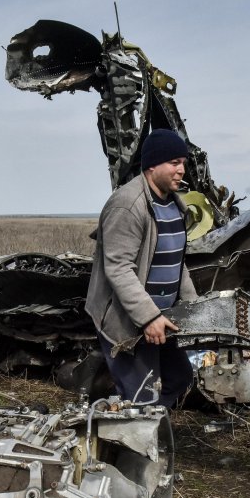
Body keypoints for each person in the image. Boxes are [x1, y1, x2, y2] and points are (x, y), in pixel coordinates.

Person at [85, 128, 197, 407]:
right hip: (127, 322)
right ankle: (134, 440)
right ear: (152, 165)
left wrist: (194, 306)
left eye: (183, 162)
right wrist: (148, 318)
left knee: (180, 377)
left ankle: (147, 426)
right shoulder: (128, 205)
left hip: (163, 317)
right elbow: (119, 269)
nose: (181, 170)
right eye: (174, 163)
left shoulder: (173, 204)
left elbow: (175, 260)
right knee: (142, 398)